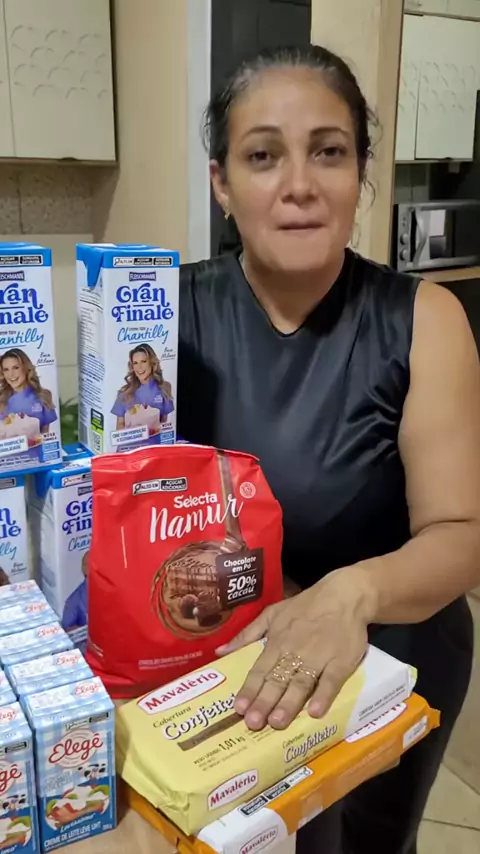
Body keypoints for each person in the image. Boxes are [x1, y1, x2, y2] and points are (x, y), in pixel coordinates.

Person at [177, 46, 480, 854]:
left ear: (360, 172)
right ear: (221, 184)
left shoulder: (424, 319)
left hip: (397, 649)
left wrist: (348, 593)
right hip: (230, 651)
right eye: (263, 156)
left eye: (329, 151)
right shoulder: (168, 315)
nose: (299, 184)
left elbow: (461, 535)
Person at [111, 344, 174, 432]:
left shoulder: (164, 388)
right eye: (135, 363)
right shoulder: (125, 392)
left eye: (143, 361)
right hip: (132, 439)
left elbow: (164, 424)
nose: (139, 367)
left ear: (152, 363)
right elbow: (120, 426)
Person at [0, 349, 57, 434]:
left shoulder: (43, 396)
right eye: (6, 369)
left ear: (26, 368)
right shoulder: (1, 399)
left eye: (16, 368)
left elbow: (46, 435)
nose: (11, 374)